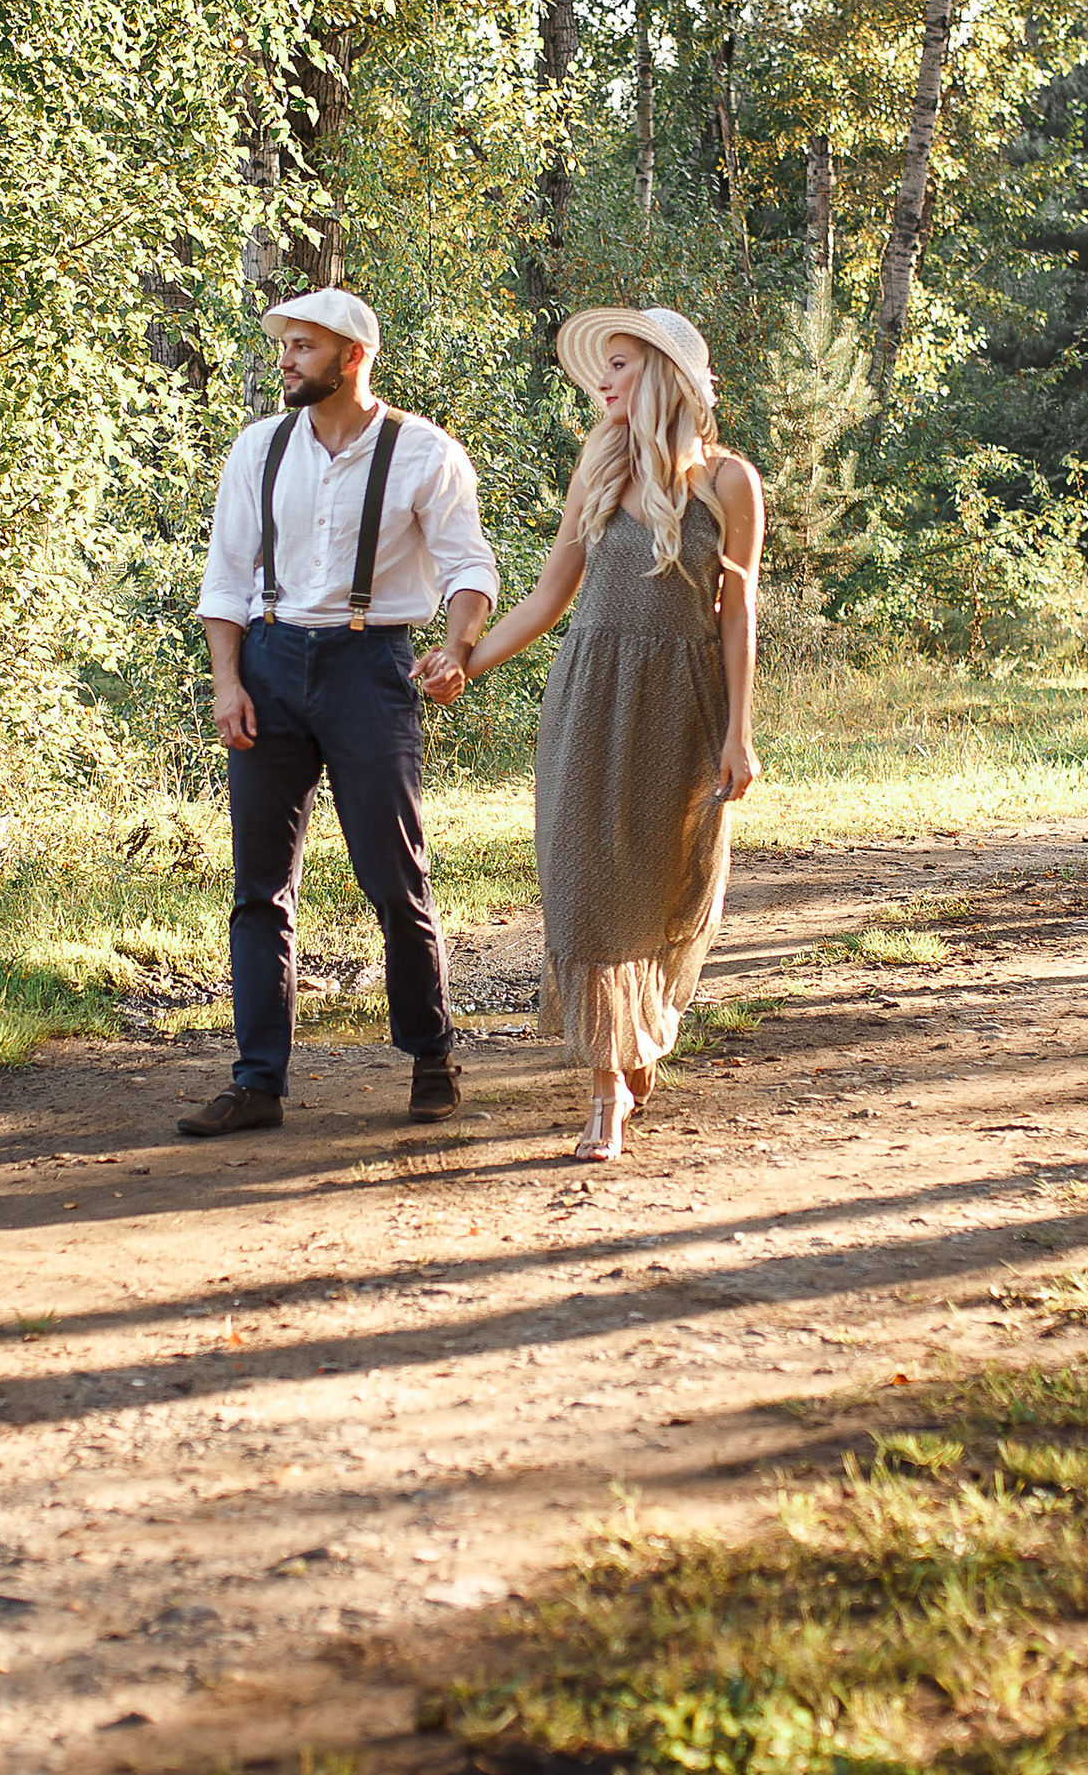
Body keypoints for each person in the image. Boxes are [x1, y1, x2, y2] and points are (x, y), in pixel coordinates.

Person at [423, 305, 761, 1161]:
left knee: (670, 882)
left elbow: (737, 616)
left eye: (620, 365)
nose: (603, 381)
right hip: (589, 693)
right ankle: (607, 1084)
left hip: (683, 701)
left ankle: (641, 1029)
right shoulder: (597, 469)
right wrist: (468, 659)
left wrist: (741, 732)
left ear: (663, 376)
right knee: (579, 886)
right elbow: (548, 598)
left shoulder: (728, 483)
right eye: (603, 365)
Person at [180, 287, 498, 1138]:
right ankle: (257, 1084)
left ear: (352, 358)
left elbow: (472, 569)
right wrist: (228, 682)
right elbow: (225, 577)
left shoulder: (424, 454)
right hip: (271, 661)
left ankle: (431, 1055)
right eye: (284, 345)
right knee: (260, 888)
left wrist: (458, 648)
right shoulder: (259, 449)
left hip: (371, 663)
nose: (285, 360)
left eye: (303, 348)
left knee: (393, 876)